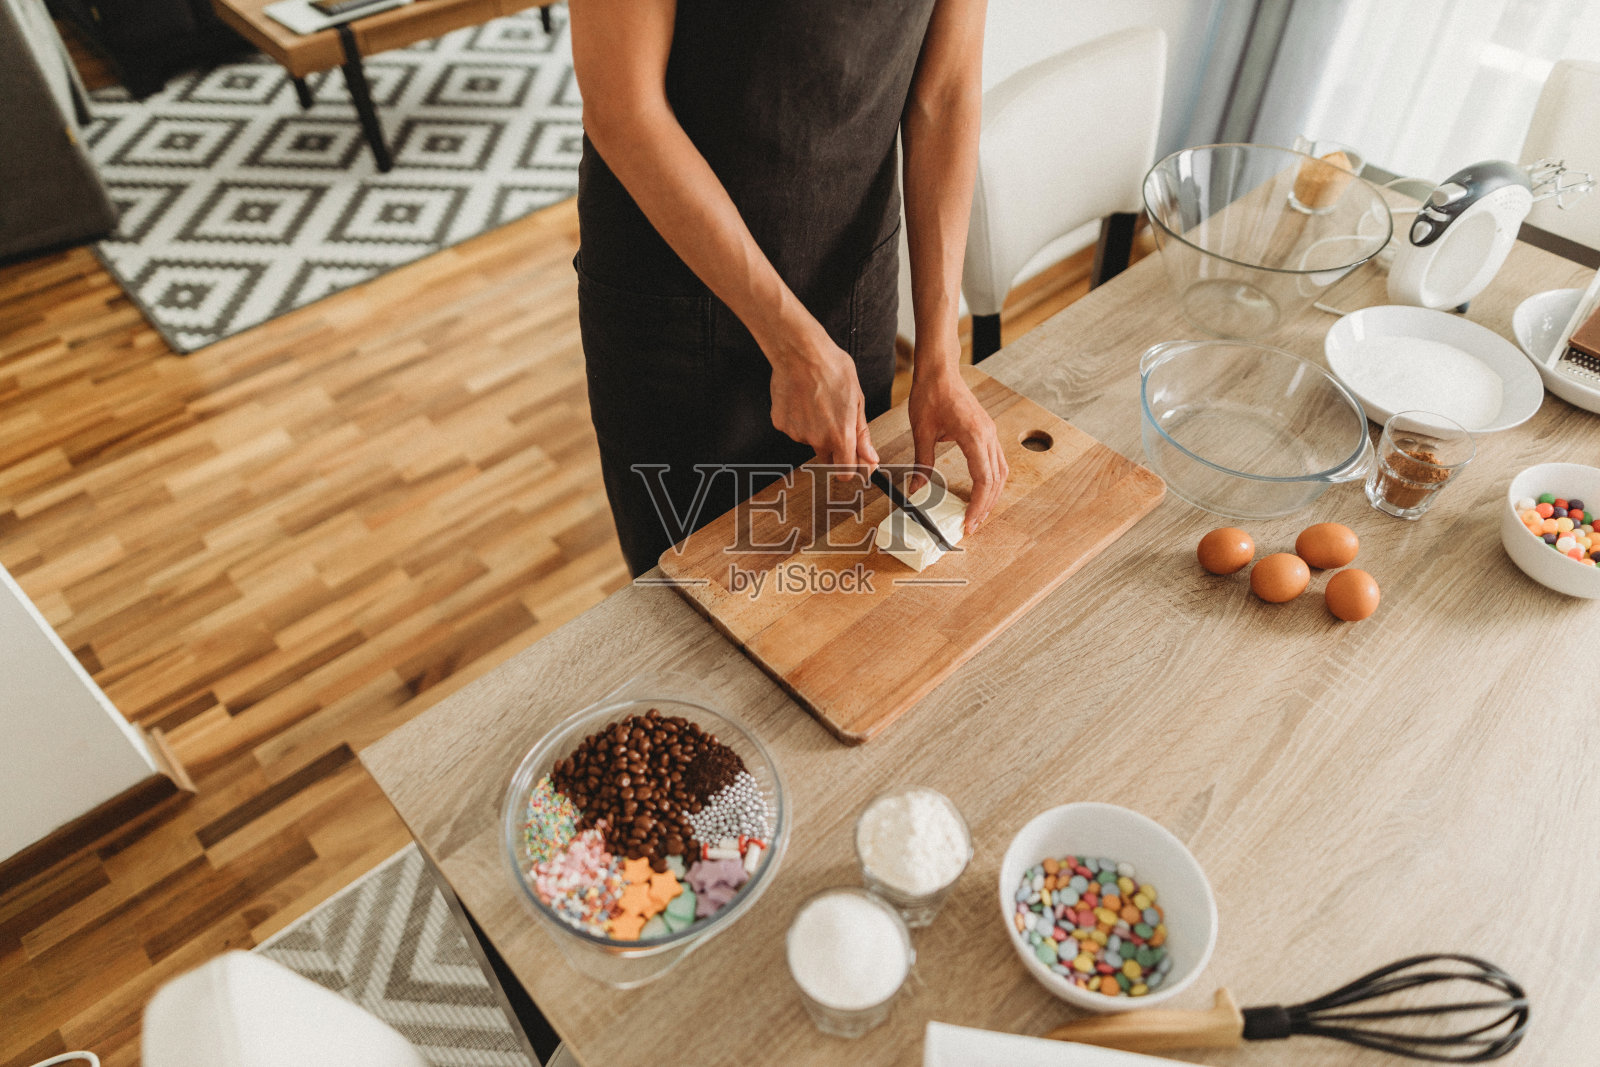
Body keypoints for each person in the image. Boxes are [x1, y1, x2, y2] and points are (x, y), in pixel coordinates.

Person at [570, 0, 1010, 577]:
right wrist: (789, 339)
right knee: (691, 610)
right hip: (675, 304)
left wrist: (940, 355)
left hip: (847, 282)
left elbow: (946, 92)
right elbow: (623, 108)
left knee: (838, 587)